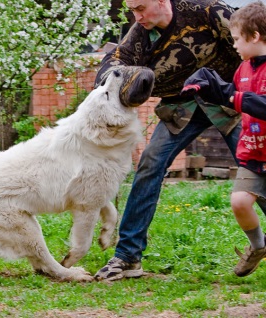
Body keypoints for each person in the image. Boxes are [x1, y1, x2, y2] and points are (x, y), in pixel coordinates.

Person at [93, 0, 243, 281]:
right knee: (150, 164)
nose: (136, 17)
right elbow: (114, 61)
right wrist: (112, 80)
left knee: (256, 169)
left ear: (162, 1)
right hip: (182, 107)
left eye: (141, 8)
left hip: (228, 100)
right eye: (132, 10)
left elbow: (251, 36)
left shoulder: (207, 11)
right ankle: (127, 257)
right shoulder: (140, 34)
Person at [180, 1, 266, 277]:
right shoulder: (244, 69)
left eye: (238, 39)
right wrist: (208, 87)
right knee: (240, 202)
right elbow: (232, 93)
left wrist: (231, 96)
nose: (235, 45)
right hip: (252, 154)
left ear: (254, 36)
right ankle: (259, 247)